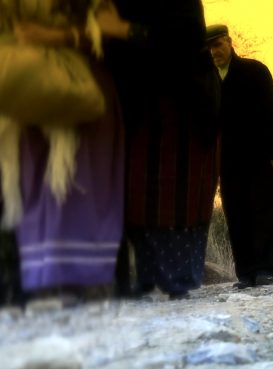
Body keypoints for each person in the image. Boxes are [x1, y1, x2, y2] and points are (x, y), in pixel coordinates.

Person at [98, 0, 220, 299]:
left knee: (173, 195)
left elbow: (184, 39)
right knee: (137, 196)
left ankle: (175, 279)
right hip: (132, 105)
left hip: (181, 104)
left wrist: (123, 29)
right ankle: (144, 277)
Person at [1, 7, 124, 302]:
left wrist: (55, 36)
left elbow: (110, 31)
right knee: (34, 186)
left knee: (77, 189)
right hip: (27, 90)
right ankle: (41, 286)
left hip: (77, 90)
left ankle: (80, 287)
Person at [205, 24, 273, 289]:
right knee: (236, 213)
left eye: (217, 45)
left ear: (229, 42)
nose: (214, 51)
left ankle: (265, 269)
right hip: (228, 161)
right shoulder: (207, 79)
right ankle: (246, 272)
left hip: (260, 156)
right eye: (208, 48)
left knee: (262, 212)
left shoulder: (255, 71)